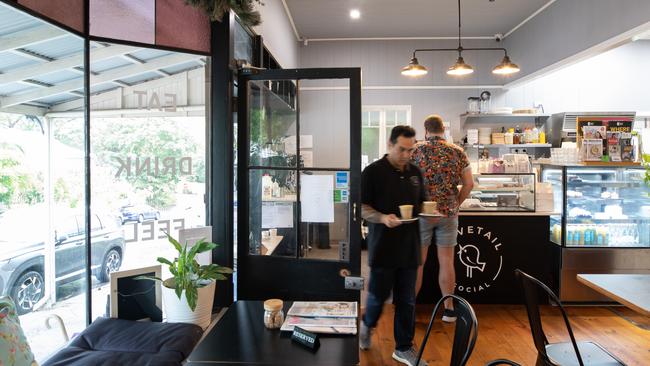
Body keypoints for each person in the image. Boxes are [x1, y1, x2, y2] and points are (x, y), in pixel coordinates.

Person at [359, 125, 428, 366]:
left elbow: (423, 205)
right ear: (389, 145)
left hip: (410, 248)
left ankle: (404, 347)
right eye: (402, 149)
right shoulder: (372, 172)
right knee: (378, 298)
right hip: (383, 249)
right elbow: (361, 208)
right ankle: (367, 325)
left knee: (407, 300)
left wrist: (432, 213)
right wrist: (383, 218)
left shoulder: (416, 173)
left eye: (411, 150)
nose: (407, 155)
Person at [412, 115, 473, 323]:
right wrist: (456, 202)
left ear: (426, 130)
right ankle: (449, 310)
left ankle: (410, 308)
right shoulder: (458, 151)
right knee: (447, 261)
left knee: (418, 263)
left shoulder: (416, 150)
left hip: (423, 213)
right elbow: (469, 184)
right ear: (443, 129)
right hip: (448, 213)